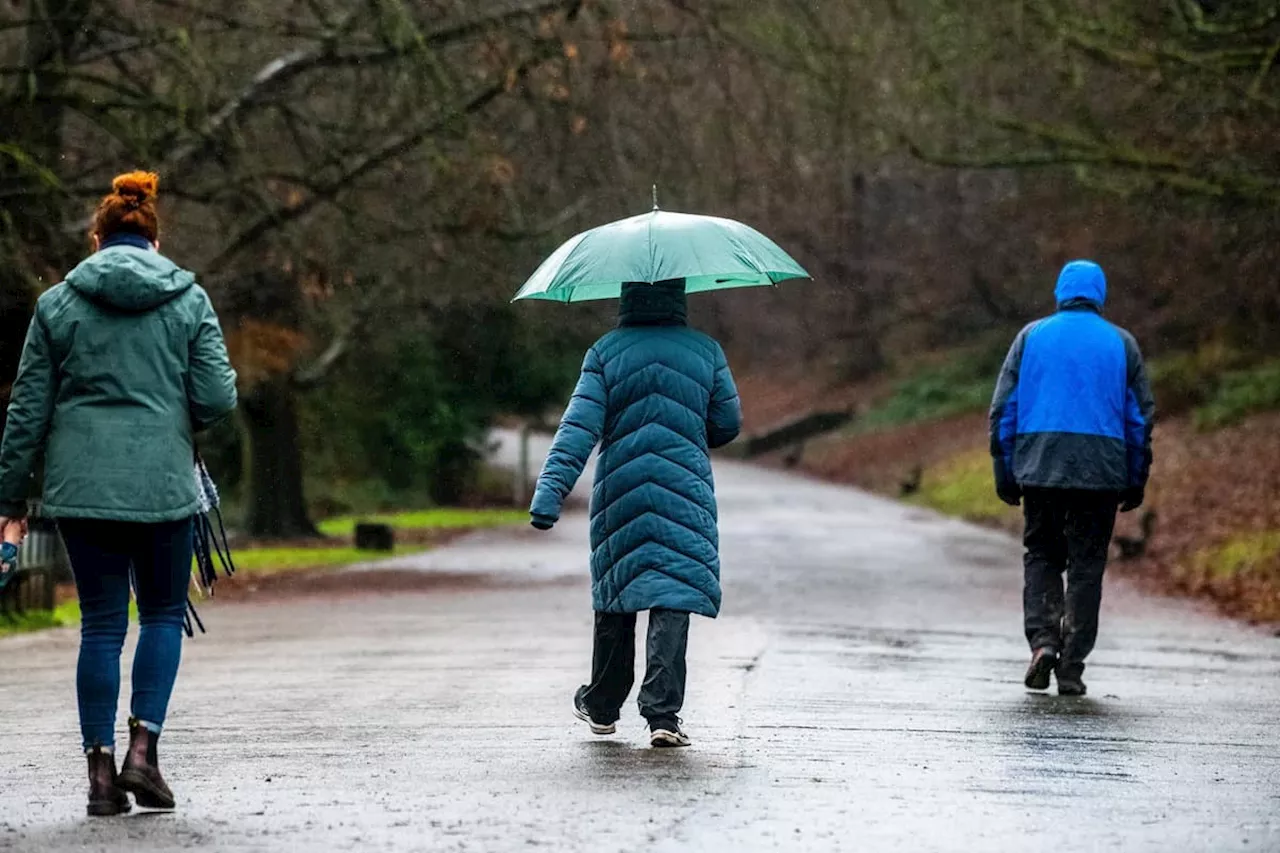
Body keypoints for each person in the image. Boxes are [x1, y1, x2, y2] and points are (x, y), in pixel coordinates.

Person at [0, 171, 238, 815]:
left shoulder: (57, 305)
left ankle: (100, 775)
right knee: (161, 614)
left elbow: (27, 410)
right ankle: (144, 751)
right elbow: (218, 396)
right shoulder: (189, 300)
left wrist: (10, 502)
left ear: (96, 238)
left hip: (80, 489)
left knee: (100, 627)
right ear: (154, 243)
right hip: (163, 484)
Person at [529, 279, 742, 747]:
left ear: (626, 295)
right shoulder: (705, 350)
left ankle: (603, 706)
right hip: (684, 490)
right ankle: (663, 715)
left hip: (620, 490)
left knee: (617, 596)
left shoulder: (606, 352)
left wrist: (549, 496)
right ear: (679, 294)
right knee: (674, 593)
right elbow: (727, 424)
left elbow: (577, 429)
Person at [989, 259, 1154, 697]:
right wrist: (1136, 477)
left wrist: (1005, 470)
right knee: (1086, 565)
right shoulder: (1122, 344)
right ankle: (1073, 665)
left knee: (1042, 553)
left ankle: (1043, 642)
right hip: (1100, 472)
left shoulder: (1031, 337)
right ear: (1100, 294)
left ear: (1060, 291)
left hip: (1040, 464)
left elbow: (1003, 410)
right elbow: (1139, 420)